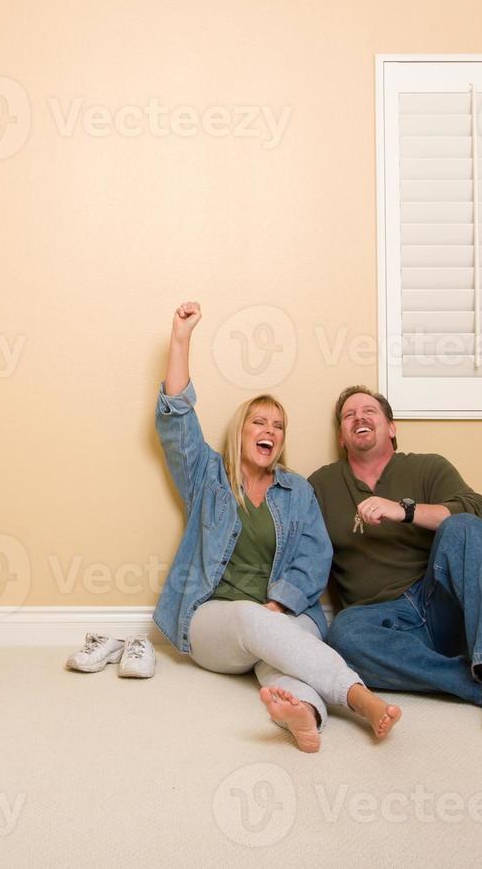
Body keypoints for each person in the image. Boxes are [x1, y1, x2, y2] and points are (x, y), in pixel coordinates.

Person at [152, 303, 401, 752]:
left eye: (279, 426)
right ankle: (358, 697)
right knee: (253, 621)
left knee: (281, 654)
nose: (271, 431)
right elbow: (176, 420)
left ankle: (303, 714)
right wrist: (181, 339)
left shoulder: (297, 491)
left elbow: (314, 556)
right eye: (260, 422)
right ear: (241, 431)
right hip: (216, 622)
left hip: (282, 617)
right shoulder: (208, 476)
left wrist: (279, 605)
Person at [308, 385, 482, 738]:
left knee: (464, 525)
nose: (359, 417)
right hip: (383, 622)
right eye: (349, 415)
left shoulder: (427, 467)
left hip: (440, 604)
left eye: (369, 411)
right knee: (342, 635)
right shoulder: (322, 484)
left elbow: (480, 514)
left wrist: (405, 511)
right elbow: (302, 545)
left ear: (391, 427)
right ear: (342, 437)